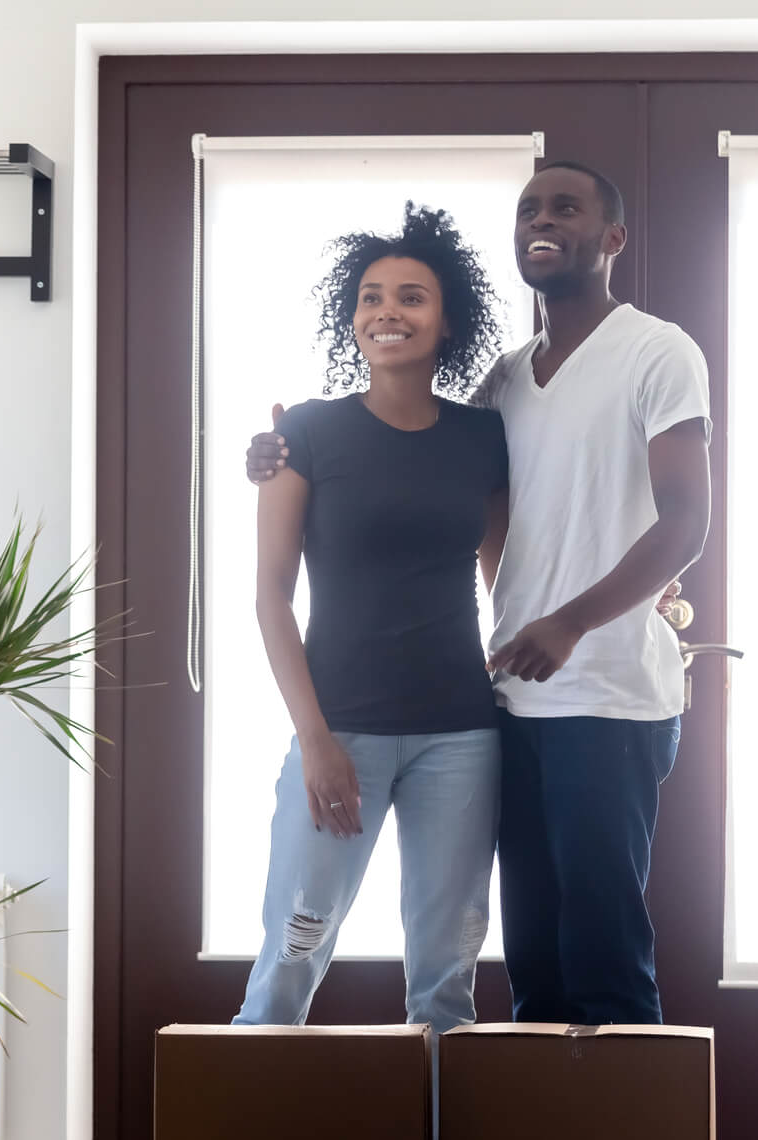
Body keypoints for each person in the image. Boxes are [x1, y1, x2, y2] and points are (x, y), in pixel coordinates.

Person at [247, 163, 712, 1026]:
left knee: (536, 967)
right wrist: (275, 454)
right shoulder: (482, 391)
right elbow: (299, 581)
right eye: (529, 208)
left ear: (611, 238)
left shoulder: (633, 361)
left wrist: (575, 620)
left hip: (544, 713)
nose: (388, 311)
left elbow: (665, 526)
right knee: (492, 957)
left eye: (566, 207)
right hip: (444, 713)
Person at [232, 202, 511, 1053]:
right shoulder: (307, 433)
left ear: (446, 320)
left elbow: (509, 579)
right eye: (371, 296)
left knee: (444, 982)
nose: (388, 311)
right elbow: (271, 596)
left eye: (412, 297)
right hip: (340, 730)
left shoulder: (483, 436)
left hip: (460, 735)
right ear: (351, 316)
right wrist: (314, 740)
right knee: (291, 955)